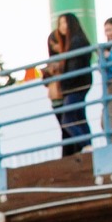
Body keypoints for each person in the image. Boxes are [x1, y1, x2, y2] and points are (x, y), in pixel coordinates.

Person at [44, 13, 95, 154]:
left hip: (74, 86)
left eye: (65, 23)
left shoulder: (75, 42)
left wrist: (63, 80)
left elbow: (75, 67)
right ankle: (87, 145)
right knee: (78, 117)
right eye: (60, 24)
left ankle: (86, 146)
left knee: (68, 119)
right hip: (73, 86)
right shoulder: (72, 43)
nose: (62, 27)